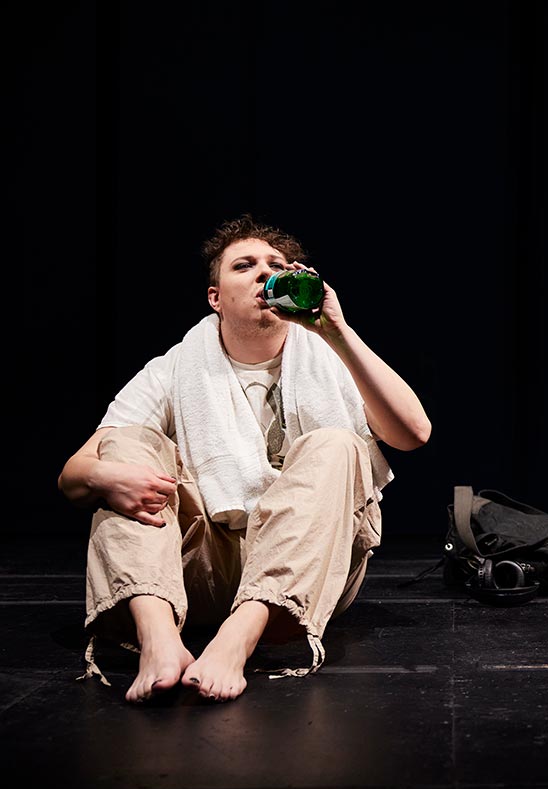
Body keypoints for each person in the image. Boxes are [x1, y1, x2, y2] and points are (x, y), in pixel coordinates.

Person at [58, 214, 432, 703]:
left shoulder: (329, 355)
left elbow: (414, 434)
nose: (265, 273)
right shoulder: (175, 368)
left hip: (305, 575)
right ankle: (158, 640)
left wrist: (336, 331)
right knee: (127, 443)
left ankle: (238, 637)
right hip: (201, 571)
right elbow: (72, 475)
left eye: (276, 265)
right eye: (245, 265)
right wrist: (106, 475)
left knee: (337, 443)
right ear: (215, 297)